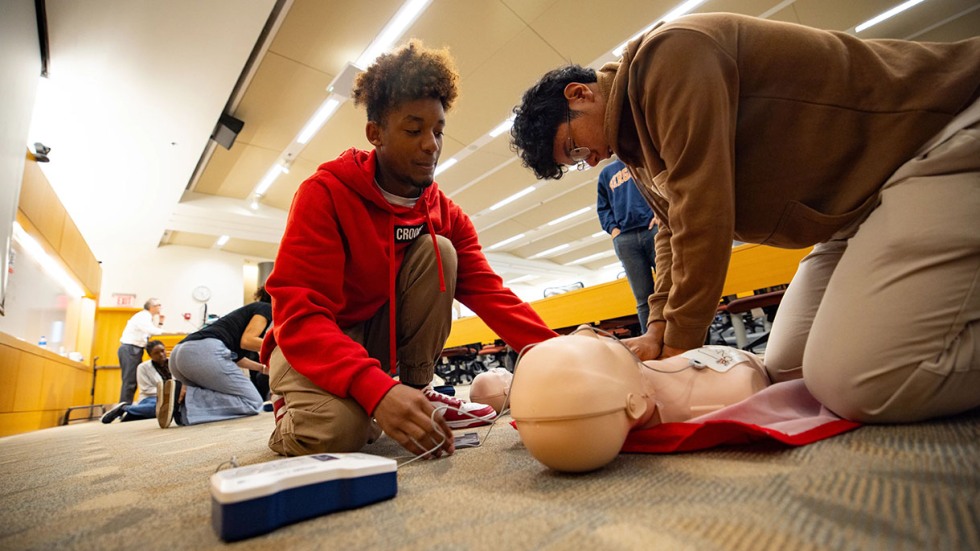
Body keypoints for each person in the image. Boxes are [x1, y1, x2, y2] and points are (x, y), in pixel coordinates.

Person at [510, 14, 980, 424]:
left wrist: (677, 358)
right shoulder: (635, 149)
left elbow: (703, 214)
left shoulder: (668, 57)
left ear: (580, 94)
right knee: (788, 368)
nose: (588, 162)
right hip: (854, 211)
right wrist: (656, 331)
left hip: (930, 144)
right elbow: (673, 231)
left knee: (859, 384)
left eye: (573, 148)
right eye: (575, 163)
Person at [261, 40, 557, 458]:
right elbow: (300, 315)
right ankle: (289, 411)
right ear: (375, 133)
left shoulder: (444, 212)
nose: (431, 145)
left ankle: (420, 391)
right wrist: (375, 389)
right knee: (342, 433)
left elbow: (491, 294)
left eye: (437, 131)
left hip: (377, 337)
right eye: (414, 130)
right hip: (313, 340)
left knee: (441, 250)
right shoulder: (323, 195)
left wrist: (559, 350)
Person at [160, 287, 273, 428]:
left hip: (181, 354)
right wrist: (283, 347)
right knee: (252, 402)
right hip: (203, 353)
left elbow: (235, 357)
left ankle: (182, 409)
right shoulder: (266, 308)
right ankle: (187, 395)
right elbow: (248, 340)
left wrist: (262, 368)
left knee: (226, 393)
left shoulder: (245, 314)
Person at [596, 158, 658, 332]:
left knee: (670, 289)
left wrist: (659, 214)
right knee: (643, 298)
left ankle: (680, 339)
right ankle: (652, 341)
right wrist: (614, 231)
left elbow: (662, 185)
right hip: (626, 240)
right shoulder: (606, 173)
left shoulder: (644, 158)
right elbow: (603, 207)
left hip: (653, 230)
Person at [101, 340, 171, 423]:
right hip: (151, 398)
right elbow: (146, 389)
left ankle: (133, 414)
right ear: (150, 355)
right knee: (162, 407)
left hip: (171, 397)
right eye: (156, 353)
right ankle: (124, 408)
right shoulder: (142, 367)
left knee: (170, 409)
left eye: (162, 351)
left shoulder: (173, 363)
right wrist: (168, 392)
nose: (161, 355)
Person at [117, 298, 165, 404]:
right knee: (130, 381)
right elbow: (151, 330)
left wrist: (161, 323)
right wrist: (168, 332)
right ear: (152, 307)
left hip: (134, 349)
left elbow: (150, 333)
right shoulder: (143, 316)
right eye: (158, 305)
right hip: (130, 349)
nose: (160, 307)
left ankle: (125, 406)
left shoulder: (147, 317)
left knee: (132, 381)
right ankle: (123, 408)